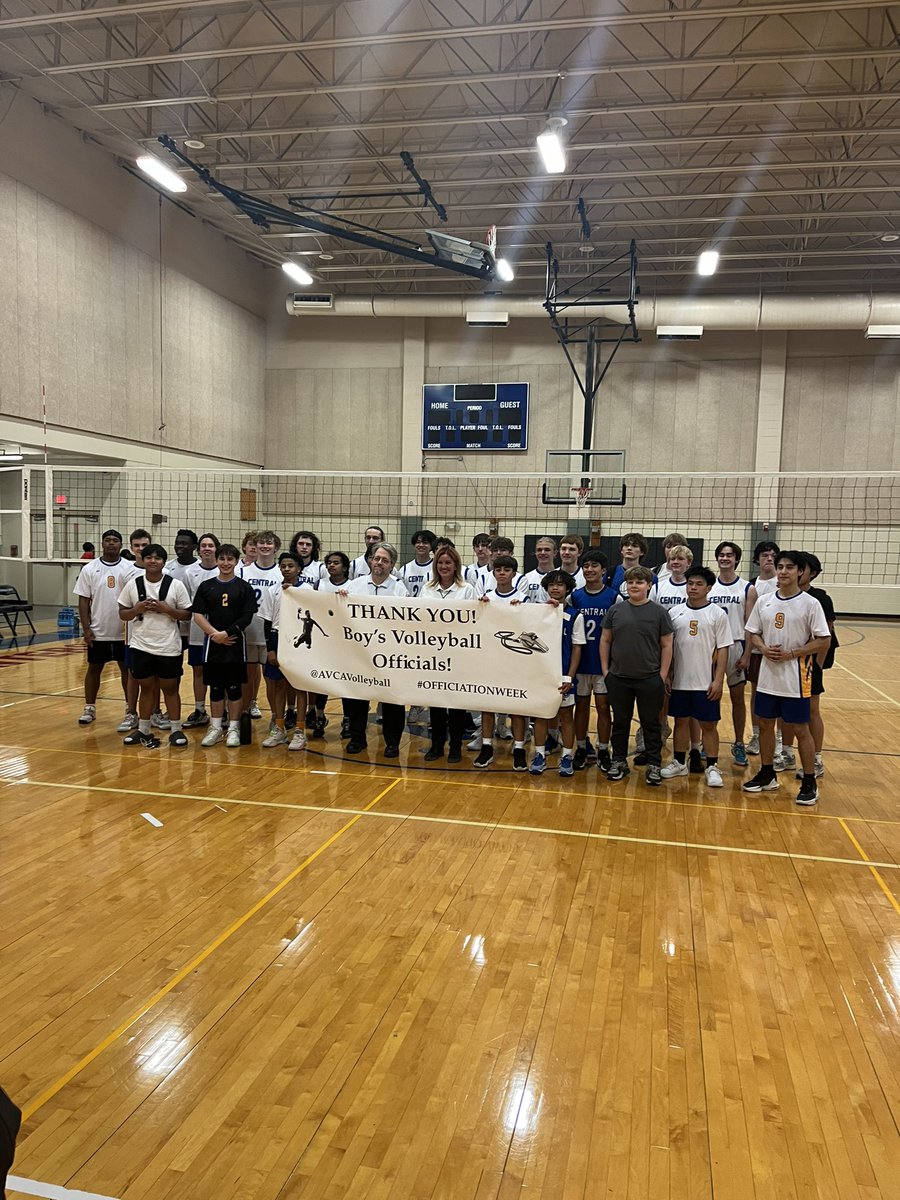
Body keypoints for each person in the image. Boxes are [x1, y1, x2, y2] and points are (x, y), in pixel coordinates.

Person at [742, 550, 830, 805]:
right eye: (780, 566)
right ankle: (767, 773)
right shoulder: (765, 601)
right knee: (765, 724)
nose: (783, 571)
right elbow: (753, 632)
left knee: (800, 728)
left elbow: (823, 640)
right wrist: (763, 647)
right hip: (768, 676)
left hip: (796, 677)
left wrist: (793, 653)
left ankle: (810, 781)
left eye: (789, 567)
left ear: (800, 572)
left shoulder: (810, 603)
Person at [600, 565, 674, 785]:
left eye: (639, 582)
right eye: (631, 582)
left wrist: (661, 675)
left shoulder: (659, 612)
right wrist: (606, 671)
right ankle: (619, 761)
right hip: (619, 677)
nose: (634, 586)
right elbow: (605, 640)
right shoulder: (616, 610)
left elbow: (667, 645)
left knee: (651, 724)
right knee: (620, 723)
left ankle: (654, 764)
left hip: (649, 678)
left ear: (649, 585)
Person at [661, 567, 733, 788]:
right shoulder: (675, 613)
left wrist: (718, 680)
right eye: (690, 583)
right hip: (681, 680)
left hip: (705, 682)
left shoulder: (717, 614)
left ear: (709, 588)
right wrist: (669, 675)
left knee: (708, 725)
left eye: (698, 584)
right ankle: (679, 762)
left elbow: (723, 649)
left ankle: (712, 766)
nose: (693, 587)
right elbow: (668, 648)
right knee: (680, 721)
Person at [117, 545, 192, 748]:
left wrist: (167, 609)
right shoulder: (133, 584)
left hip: (168, 646)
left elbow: (187, 614)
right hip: (141, 645)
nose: (152, 561)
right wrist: (137, 609)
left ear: (164, 562)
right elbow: (123, 613)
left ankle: (176, 729)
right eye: (149, 557)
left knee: (170, 688)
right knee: (146, 687)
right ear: (142, 560)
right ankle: (143, 729)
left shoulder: (175, 585)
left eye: (157, 558)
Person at [342, 542, 409, 757]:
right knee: (357, 698)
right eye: (376, 558)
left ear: (392, 565)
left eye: (385, 560)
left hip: (389, 654)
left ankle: (392, 743)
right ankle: (357, 739)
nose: (379, 563)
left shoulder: (399, 589)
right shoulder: (354, 585)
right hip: (359, 652)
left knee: (391, 699)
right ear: (370, 560)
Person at [192, 544, 258, 748]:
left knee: (235, 688)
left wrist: (226, 633)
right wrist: (215, 635)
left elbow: (247, 616)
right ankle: (215, 727)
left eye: (230, 559)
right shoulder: (207, 586)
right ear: (216, 560)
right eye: (222, 559)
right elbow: (197, 615)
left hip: (235, 645)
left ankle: (234, 728)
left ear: (237, 561)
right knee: (216, 688)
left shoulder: (244, 587)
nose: (226, 563)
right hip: (213, 646)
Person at [779, 552, 836, 780]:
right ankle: (786, 752)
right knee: (785, 711)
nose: (788, 571)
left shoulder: (819, 598)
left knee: (811, 710)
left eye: (794, 567)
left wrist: (817, 666)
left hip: (809, 663)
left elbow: (826, 635)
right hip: (785, 663)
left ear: (808, 572)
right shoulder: (780, 596)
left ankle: (816, 758)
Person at [73, 529, 138, 726]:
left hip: (124, 631)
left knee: (126, 670)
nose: (111, 543)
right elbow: (83, 600)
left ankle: (130, 710)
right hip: (98, 630)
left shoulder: (129, 568)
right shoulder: (90, 568)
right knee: (94, 668)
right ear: (102, 544)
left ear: (121, 544)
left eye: (115, 540)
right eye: (107, 540)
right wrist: (86, 628)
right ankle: (89, 708)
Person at [420, 547, 477, 763]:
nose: (444, 566)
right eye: (440, 563)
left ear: (456, 565)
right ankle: (436, 745)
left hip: (458, 653)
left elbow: (474, 619)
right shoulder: (427, 588)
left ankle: (455, 747)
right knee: (435, 703)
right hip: (432, 653)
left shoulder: (466, 589)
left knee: (456, 704)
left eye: (448, 563)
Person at [474, 554, 530, 770]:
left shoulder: (523, 599)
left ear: (514, 574)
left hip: (515, 661)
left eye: (507, 570)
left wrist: (521, 612)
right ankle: (487, 746)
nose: (502, 573)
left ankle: (519, 748)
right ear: (494, 573)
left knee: (516, 705)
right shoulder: (485, 599)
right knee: (488, 705)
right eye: (498, 570)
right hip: (490, 659)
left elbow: (530, 628)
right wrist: (480, 609)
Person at [529, 570, 585, 777]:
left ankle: (567, 756)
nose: (555, 588)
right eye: (551, 584)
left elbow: (577, 649)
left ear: (567, 589)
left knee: (566, 717)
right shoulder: (537, 613)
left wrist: (569, 676)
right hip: (541, 674)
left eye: (560, 585)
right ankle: (539, 755)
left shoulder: (576, 615)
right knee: (541, 716)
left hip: (563, 675)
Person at [709, 541, 757, 767]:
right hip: (712, 648)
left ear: (736, 559)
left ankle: (739, 742)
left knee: (738, 698)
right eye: (721, 554)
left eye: (729, 555)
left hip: (736, 645)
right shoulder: (710, 586)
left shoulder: (747, 588)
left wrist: (747, 654)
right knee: (710, 696)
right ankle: (706, 742)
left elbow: (750, 624)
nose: (725, 558)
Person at [260, 551, 314, 750]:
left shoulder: (307, 590)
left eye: (290, 566)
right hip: (277, 637)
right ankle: (279, 728)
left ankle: (299, 731)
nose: (286, 569)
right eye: (283, 566)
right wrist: (270, 649)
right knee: (278, 685)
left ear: (299, 569)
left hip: (298, 639)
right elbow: (267, 622)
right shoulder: (273, 590)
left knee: (299, 686)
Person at [571, 549, 618, 771]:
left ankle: (603, 749)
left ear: (603, 570)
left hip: (603, 664)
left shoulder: (614, 597)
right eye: (586, 566)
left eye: (594, 566)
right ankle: (581, 747)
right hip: (580, 663)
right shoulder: (574, 596)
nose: (589, 570)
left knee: (603, 707)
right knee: (580, 707)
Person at [237, 529, 282, 721]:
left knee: (271, 679)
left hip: (270, 634)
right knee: (246, 677)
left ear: (276, 547)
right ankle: (245, 714)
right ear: (255, 546)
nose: (265, 546)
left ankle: (275, 717)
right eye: (261, 542)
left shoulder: (281, 573)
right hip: (247, 632)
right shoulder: (242, 571)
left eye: (269, 543)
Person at [182, 533, 221, 728]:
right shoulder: (190, 572)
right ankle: (199, 710)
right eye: (203, 545)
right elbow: (187, 601)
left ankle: (223, 711)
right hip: (197, 629)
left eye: (210, 545)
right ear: (198, 549)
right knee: (198, 670)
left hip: (219, 629)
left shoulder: (224, 569)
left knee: (218, 671)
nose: (207, 549)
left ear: (216, 549)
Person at [747, 539, 781, 754]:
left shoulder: (783, 582)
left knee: (779, 694)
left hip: (778, 649)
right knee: (756, 692)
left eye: (773, 556)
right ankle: (757, 735)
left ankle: (779, 738)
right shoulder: (751, 585)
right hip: (756, 649)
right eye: (764, 555)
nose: (769, 559)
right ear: (757, 559)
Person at [400, 529, 437, 598]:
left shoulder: (436, 567)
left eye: (425, 542)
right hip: (409, 604)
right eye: (418, 542)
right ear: (414, 545)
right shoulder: (405, 569)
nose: (421, 545)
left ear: (431, 546)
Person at [521, 537, 557, 603]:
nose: (543, 553)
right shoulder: (527, 578)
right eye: (539, 550)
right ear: (535, 553)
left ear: (555, 553)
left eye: (547, 550)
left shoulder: (559, 577)